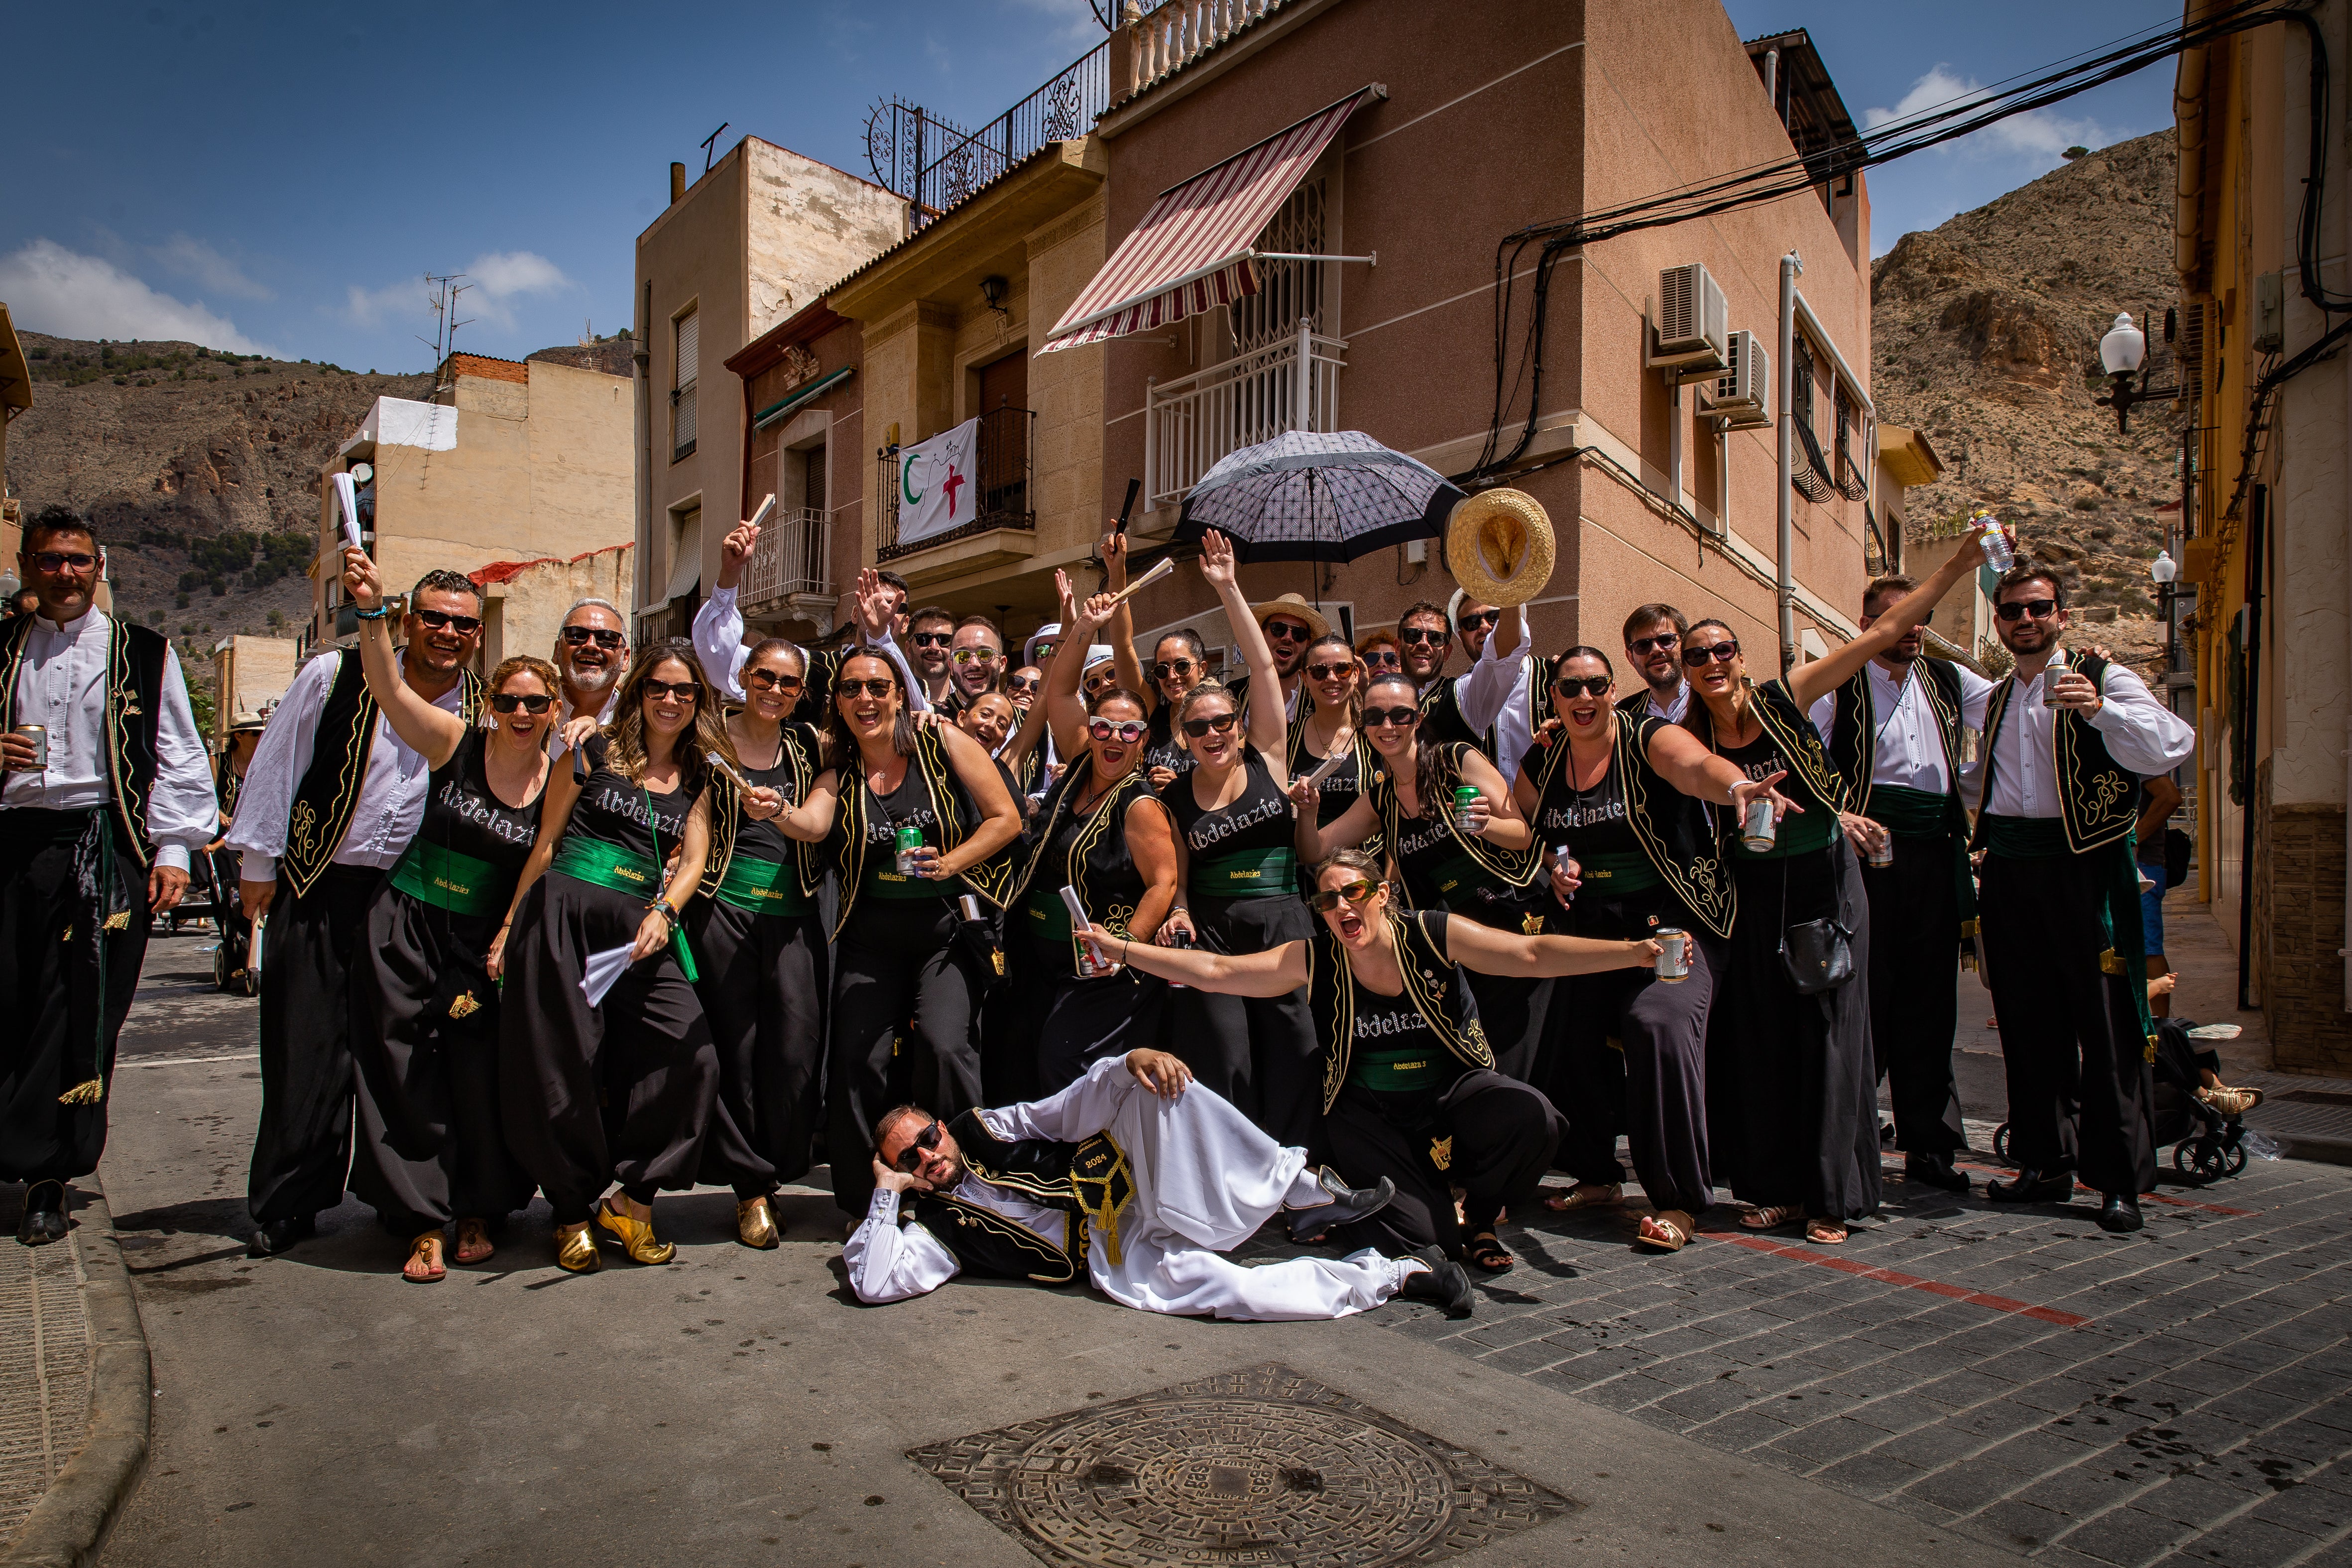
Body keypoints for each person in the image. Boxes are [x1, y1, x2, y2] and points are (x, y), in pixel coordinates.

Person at [1109, 849, 1658, 1274]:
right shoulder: (1314, 958)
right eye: (1327, 901)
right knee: (1427, 1241)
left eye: (1354, 892)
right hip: (1371, 1115)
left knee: (1532, 1116)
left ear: (1382, 892)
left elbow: (1530, 954)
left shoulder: (1430, 934)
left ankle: (1484, 1214)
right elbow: (1216, 971)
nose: (1342, 907)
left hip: (1449, 1096)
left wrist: (1630, 952)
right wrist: (1121, 949)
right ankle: (1361, 1202)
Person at [1679, 532, 1985, 1245]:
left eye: (1723, 650)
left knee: (1827, 1034)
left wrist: (1960, 566)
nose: (1712, 663)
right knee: (1764, 1036)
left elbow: (1884, 630)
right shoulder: (1690, 732)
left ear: (1742, 658)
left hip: (1822, 876)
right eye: (1699, 656)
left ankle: (1831, 1196)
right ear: (1689, 672)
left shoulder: (1789, 697)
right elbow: (1685, 772)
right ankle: (1775, 1188)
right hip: (1754, 891)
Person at [229, 567, 486, 1257]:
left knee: (398, 1057)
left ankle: (397, 1200)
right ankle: (289, 1200)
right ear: (407, 622)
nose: (448, 633)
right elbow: (277, 763)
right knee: (304, 1046)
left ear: (479, 634)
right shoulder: (334, 674)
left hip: (416, 903)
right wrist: (258, 864)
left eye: (463, 623)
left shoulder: (488, 709)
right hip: (320, 883)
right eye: (435, 617)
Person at [849, 1048, 1474, 1320]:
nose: (927, 1154)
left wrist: (1130, 1061)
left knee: (1155, 1085)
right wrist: (885, 1194)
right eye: (909, 1158)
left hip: (1132, 1180)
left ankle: (1300, 1187)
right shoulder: (932, 1234)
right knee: (1237, 1293)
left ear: (940, 1125)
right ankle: (1401, 1273)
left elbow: (1064, 1108)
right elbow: (873, 1282)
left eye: (927, 1136)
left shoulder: (982, 1127)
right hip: (1112, 1253)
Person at [1519, 647, 1785, 1252]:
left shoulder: (1647, 739)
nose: (1583, 697)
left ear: (1613, 690)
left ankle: (1679, 1198)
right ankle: (1595, 1174)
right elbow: (1538, 830)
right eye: (1570, 688)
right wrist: (1558, 865)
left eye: (1594, 685)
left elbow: (1696, 767)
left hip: (1672, 926)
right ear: (1553, 698)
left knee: (1656, 1023)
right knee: (1561, 1017)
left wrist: (1738, 786)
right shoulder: (1544, 754)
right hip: (1591, 933)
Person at [2, 514, 214, 1246]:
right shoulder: (3, 648)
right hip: (11, 839)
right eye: (50, 561)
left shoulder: (144, 653)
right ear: (28, 565)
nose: (65, 573)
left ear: (101, 564)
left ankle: (50, 1175)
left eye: (78, 561)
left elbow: (180, 754)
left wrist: (174, 853)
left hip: (103, 841)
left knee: (80, 1006)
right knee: (12, 997)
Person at [337, 546, 546, 1281]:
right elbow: (387, 686)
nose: (521, 713)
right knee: (400, 1072)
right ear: (489, 704)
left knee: (478, 1074)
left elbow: (543, 862)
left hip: (480, 943)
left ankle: (479, 1207)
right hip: (404, 923)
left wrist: (507, 937)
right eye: (509, 701)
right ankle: (421, 1219)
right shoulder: (454, 741)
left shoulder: (559, 781)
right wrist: (370, 613)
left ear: (555, 712)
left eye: (536, 703)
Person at [1971, 563, 2196, 1234]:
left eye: (2038, 608)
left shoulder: (2103, 675)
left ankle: (2118, 1180)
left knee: (2106, 1027)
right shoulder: (1995, 699)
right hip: (2013, 871)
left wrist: (2101, 712)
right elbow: (1981, 780)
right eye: (2012, 611)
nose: (2025, 621)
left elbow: (2171, 744)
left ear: (2061, 615)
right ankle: (2045, 1163)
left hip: (2088, 871)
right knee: (2028, 1025)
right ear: (2001, 622)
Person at [498, 642, 726, 1272]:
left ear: (698, 700)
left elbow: (697, 857)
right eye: (658, 687)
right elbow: (546, 842)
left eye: (684, 690)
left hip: (638, 924)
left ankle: (632, 1199)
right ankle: (570, 1210)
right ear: (639, 692)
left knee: (693, 1052)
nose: (671, 700)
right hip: (562, 914)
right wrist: (510, 925)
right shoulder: (592, 750)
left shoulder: (702, 772)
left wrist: (666, 910)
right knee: (560, 1068)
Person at [814, 650, 1024, 1221]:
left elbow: (1005, 818)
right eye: (852, 688)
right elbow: (810, 824)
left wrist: (952, 861)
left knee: (943, 1043)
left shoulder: (943, 742)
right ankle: (866, 1200)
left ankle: (967, 1183)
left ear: (899, 694)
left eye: (878, 686)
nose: (866, 698)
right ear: (838, 701)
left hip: (944, 933)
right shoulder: (838, 768)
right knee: (857, 1056)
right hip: (869, 936)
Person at [1805, 574, 1996, 1194]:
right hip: (1863, 856)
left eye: (1920, 616)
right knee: (1866, 998)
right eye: (1898, 617)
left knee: (1929, 999)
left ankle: (1929, 1143)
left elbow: (2015, 707)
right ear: (1867, 627)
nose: (1913, 628)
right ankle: (1852, 1136)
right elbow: (1802, 754)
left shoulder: (1950, 681)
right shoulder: (1840, 679)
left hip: (1935, 855)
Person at [1295, 672, 1549, 1083]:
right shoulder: (1382, 797)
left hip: (1513, 922)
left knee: (1517, 1063)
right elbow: (1314, 851)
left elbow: (1521, 835)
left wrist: (1483, 825)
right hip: (1460, 945)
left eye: (1400, 714)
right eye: (1375, 716)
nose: (1387, 726)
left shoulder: (1457, 760)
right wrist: (1308, 813)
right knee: (1484, 1064)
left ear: (1418, 718)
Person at [1157, 532, 1319, 1148]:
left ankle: (1298, 1174)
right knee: (1225, 1059)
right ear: (1183, 733)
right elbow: (1175, 879)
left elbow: (1259, 667)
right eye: (1198, 726)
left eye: (1223, 720)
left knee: (1295, 1052)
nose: (1213, 732)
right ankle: (1234, 1176)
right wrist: (1177, 913)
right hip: (1217, 935)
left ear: (1238, 721)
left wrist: (1228, 587)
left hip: (1283, 925)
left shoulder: (1269, 757)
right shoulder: (1170, 798)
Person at [999, 591, 1181, 1098]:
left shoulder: (1139, 803)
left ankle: (1084, 1165)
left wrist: (1122, 950)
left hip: (1094, 963)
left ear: (1143, 740)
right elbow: (1058, 692)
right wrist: (1081, 628)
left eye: (1129, 730)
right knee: (1022, 1054)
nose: (1113, 738)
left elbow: (1163, 881)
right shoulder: (1080, 760)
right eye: (1103, 726)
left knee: (1065, 1061)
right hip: (1037, 950)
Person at [686, 634, 828, 1249]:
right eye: (764, 677)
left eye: (788, 683)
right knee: (735, 1055)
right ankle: (750, 1188)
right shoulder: (706, 738)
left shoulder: (811, 743)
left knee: (795, 1054)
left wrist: (779, 812)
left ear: (801, 692)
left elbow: (819, 822)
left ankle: (777, 1166)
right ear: (743, 676)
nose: (775, 690)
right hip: (722, 913)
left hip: (794, 918)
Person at [698, 524, 921, 710]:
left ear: (906, 625)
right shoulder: (811, 667)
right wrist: (730, 574)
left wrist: (880, 635)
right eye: (873, 601)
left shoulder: (918, 687)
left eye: (896, 607)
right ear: (855, 614)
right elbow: (720, 660)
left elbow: (915, 711)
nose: (884, 611)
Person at [205, 709, 270, 990]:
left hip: (254, 832)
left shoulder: (264, 762)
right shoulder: (218, 763)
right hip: (225, 837)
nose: (260, 738)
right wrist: (220, 814)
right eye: (255, 734)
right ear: (239, 736)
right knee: (226, 868)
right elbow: (205, 796)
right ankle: (237, 924)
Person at [1286, 633, 1373, 839]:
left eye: (1343, 669)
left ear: (1356, 674)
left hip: (1363, 865)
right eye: (1319, 671)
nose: (1332, 678)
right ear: (1305, 679)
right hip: (1301, 866)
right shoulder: (1287, 740)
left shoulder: (1376, 736)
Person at [2134, 773, 2184, 1017]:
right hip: (2121, 863)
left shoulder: (2134, 754)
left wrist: (2132, 838)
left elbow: (2170, 797)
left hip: (2142, 866)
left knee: (2148, 946)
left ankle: (2161, 1026)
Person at [551, 597, 630, 738]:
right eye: (577, 635)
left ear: (625, 658)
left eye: (607, 638)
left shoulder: (640, 721)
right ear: (557, 651)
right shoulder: (526, 711)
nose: (591, 645)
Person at [1619, 603, 1692, 723]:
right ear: (1631, 658)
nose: (1655, 650)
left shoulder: (1711, 701)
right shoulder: (1623, 716)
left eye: (1666, 640)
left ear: (1685, 645)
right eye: (1643, 645)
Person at [906, 606, 960, 711]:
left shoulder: (969, 706)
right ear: (909, 650)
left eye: (944, 640)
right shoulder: (897, 703)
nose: (934, 648)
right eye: (924, 639)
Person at [950, 616, 1006, 706]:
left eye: (985, 655)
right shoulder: (934, 717)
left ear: (1002, 664)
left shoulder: (1022, 718)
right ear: (951, 666)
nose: (974, 664)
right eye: (962, 656)